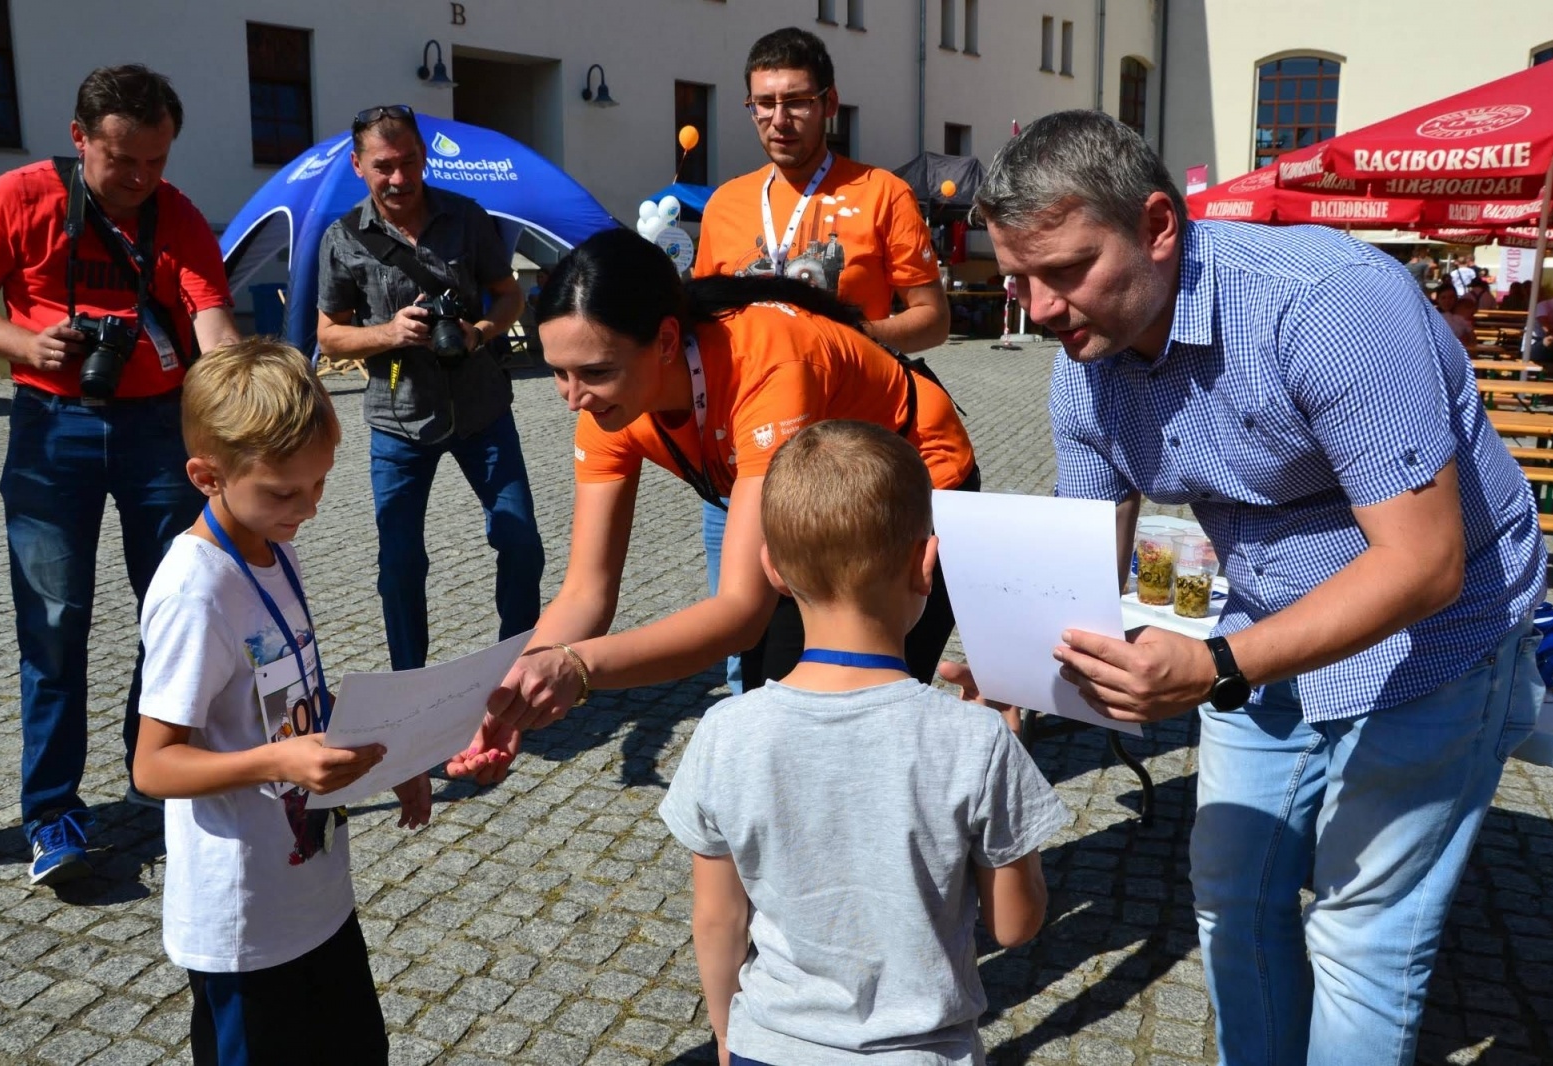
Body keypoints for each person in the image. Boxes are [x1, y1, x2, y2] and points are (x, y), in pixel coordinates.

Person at [971, 110, 1545, 1066]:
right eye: (1016, 279)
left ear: (1158, 225)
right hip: (1259, 627)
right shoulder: (1087, 368)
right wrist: (1013, 667)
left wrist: (1214, 664)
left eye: (1067, 270)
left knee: (1361, 936)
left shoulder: (1325, 305)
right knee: (1232, 900)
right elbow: (1081, 561)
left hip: (1435, 639)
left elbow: (1424, 564)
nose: (1039, 309)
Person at [447, 227, 978, 783]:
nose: (573, 398)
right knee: (775, 711)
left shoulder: (769, 368)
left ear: (668, 341)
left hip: (917, 484)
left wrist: (578, 668)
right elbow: (585, 592)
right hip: (809, 494)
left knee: (848, 717)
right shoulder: (606, 408)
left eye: (596, 372)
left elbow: (740, 614)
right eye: (558, 372)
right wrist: (510, 691)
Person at [658, 420, 1065, 1066]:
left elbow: (717, 919)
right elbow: (1015, 925)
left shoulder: (726, 732)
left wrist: (727, 1036)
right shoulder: (975, 739)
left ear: (773, 570)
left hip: (770, 1046)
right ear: (926, 564)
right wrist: (1010, 749)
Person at [0, 65, 239, 884]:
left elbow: (214, 322)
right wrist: (25, 345)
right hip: (52, 427)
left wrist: (245, 398)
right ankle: (52, 813)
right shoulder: (16, 197)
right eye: (124, 161)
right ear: (81, 137)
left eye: (156, 161)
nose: (141, 180)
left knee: (173, 610)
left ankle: (158, 777)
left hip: (159, 430)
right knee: (53, 627)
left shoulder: (176, 213)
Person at [132, 340, 429, 1065]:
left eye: (320, 484)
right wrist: (281, 760)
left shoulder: (271, 542)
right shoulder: (196, 592)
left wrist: (389, 756)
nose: (310, 508)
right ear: (207, 476)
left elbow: (297, 692)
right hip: (243, 922)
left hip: (313, 896)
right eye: (285, 492)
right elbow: (153, 766)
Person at [693, 26, 951, 693]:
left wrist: (856, 336)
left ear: (829, 103)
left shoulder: (882, 193)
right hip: (748, 456)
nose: (779, 119)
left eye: (797, 101)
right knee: (744, 635)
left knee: (851, 626)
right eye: (764, 104)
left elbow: (933, 317)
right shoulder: (724, 204)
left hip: (850, 454)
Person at [317, 105, 544, 673]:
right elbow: (328, 336)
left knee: (520, 544)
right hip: (397, 420)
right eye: (384, 166)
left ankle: (512, 673)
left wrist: (481, 331)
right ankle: (409, 689)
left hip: (482, 409)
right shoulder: (343, 238)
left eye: (410, 162)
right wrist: (389, 332)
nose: (399, 178)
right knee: (399, 564)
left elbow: (508, 293)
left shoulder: (466, 216)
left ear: (423, 157)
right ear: (358, 166)